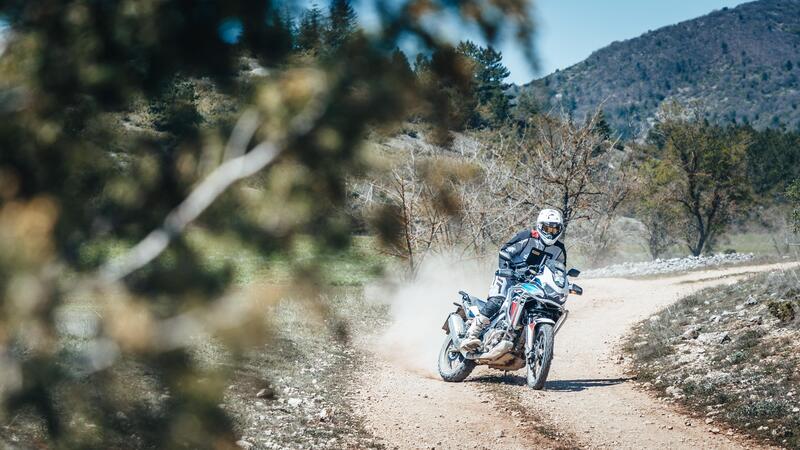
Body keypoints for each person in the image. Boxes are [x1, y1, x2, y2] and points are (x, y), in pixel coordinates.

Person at [460, 209, 567, 351]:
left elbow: (559, 270)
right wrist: (507, 270)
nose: (551, 232)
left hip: (533, 284)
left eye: (555, 229)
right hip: (510, 276)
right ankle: (471, 334)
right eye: (548, 228)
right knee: (497, 301)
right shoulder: (527, 237)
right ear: (540, 226)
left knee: (545, 307)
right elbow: (504, 252)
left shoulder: (559, 249)